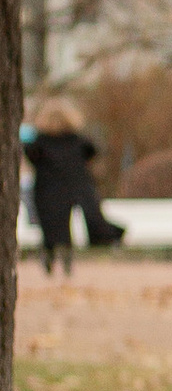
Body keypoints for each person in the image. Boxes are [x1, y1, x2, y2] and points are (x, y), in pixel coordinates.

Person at [22, 98, 114, 275]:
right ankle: (66, 256)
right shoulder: (78, 140)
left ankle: (49, 253)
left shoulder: (39, 142)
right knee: (67, 221)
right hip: (73, 187)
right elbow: (93, 152)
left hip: (46, 190)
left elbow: (30, 156)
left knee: (49, 224)